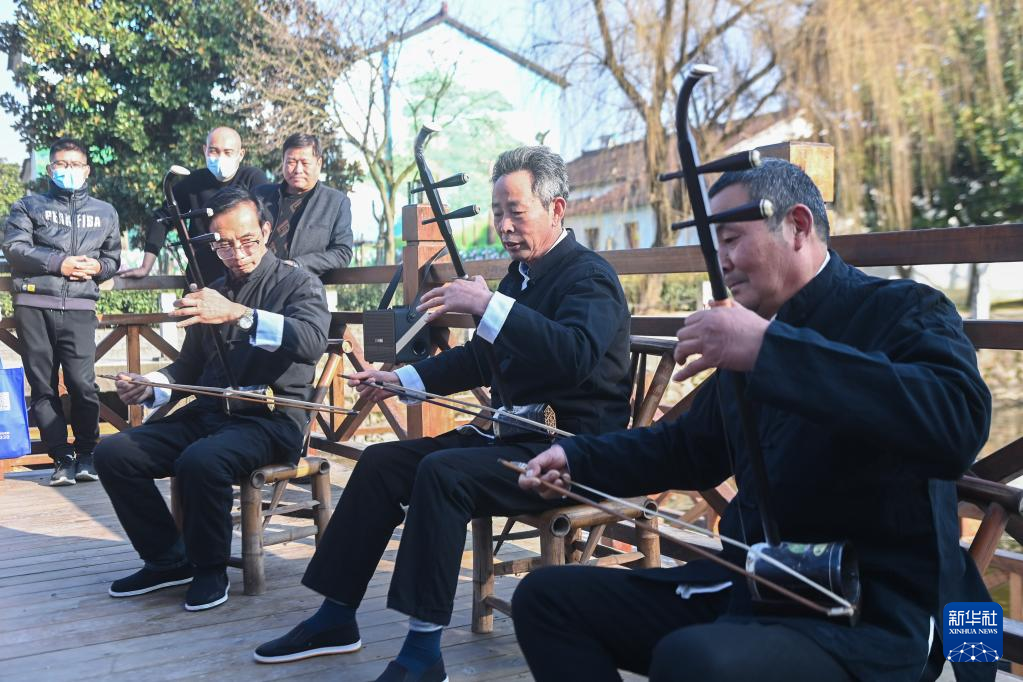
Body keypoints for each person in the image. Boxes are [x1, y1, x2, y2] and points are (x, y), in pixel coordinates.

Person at [511, 158, 994, 682]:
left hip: (875, 611)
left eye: (732, 240)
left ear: (798, 226)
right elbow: (688, 448)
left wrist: (768, 348)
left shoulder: (903, 308)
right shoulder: (762, 335)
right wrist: (576, 458)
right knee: (546, 598)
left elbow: (958, 424)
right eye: (715, 246)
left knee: (695, 659)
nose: (722, 262)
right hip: (762, 586)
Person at [253, 146, 633, 681]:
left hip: (570, 452)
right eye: (497, 212)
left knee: (442, 473)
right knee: (381, 463)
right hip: (512, 438)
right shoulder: (521, 277)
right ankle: (336, 616)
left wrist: (489, 306)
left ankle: (422, 652)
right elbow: (481, 358)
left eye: (516, 211)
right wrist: (402, 380)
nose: (504, 225)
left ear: (557, 209)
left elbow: (574, 356)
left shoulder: (589, 277)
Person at [94, 186, 330, 612]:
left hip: (272, 420)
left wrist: (241, 314)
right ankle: (168, 560)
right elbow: (189, 368)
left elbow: (312, 341)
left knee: (201, 461)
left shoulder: (299, 284)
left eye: (247, 241)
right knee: (114, 453)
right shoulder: (214, 291)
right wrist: (151, 385)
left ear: (266, 231)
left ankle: (209, 568)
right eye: (223, 244)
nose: (237, 253)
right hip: (209, 414)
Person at [2, 137, 121, 486]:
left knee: (83, 384)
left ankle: (87, 454)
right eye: (60, 164)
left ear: (87, 169)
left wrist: (98, 268)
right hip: (34, 304)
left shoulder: (105, 212)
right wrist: (59, 263)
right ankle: (61, 458)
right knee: (43, 387)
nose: (67, 170)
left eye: (74, 164)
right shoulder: (28, 206)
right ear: (50, 168)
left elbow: (113, 258)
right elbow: (14, 248)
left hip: (80, 306)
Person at [121, 126, 266, 282]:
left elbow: (266, 221)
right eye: (214, 151)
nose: (220, 158)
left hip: (245, 270)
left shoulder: (253, 178)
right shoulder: (193, 181)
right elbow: (162, 218)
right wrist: (145, 266)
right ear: (205, 150)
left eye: (228, 152)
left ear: (241, 154)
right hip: (202, 272)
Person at [253, 133, 353, 278]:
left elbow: (342, 253)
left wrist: (298, 264)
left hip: (302, 284)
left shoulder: (335, 202)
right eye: (291, 162)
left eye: (305, 163)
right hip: (256, 281)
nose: (298, 170)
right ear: (283, 162)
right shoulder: (260, 196)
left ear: (319, 163)